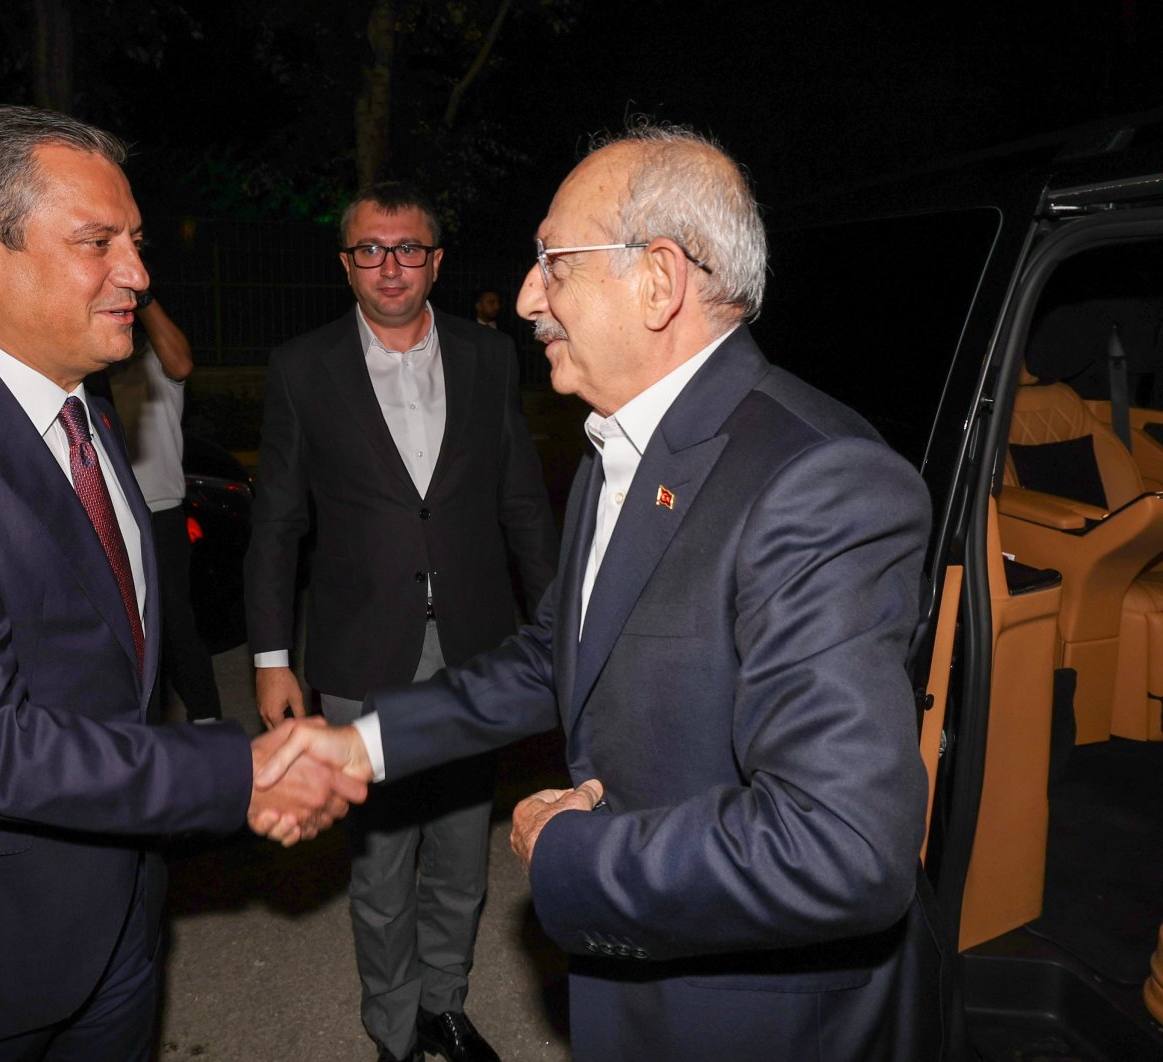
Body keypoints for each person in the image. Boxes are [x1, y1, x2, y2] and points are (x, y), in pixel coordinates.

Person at [260, 126, 945, 1061]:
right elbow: (560, 653)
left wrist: (569, 853)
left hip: (755, 1014)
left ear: (659, 281)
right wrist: (361, 745)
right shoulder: (619, 445)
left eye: (555, 262)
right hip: (645, 977)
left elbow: (843, 850)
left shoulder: (820, 484)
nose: (531, 296)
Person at [0, 104, 366, 1061]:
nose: (136, 272)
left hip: (116, 920)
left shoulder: (82, 408)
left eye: (133, 241)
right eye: (98, 243)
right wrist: (239, 768)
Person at [244, 182, 557, 1062]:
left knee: (460, 854)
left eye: (408, 248)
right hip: (360, 646)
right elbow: (276, 524)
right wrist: (272, 656)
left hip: (475, 642)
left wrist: (565, 623)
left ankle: (444, 1008)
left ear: (436, 262)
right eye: (370, 250)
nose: (390, 265)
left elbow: (523, 506)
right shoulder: (304, 368)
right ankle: (391, 1028)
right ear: (346, 264)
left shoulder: (489, 357)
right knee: (381, 863)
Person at [107, 291, 223, 723]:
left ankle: (207, 721)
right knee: (122, 628)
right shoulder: (90, 359)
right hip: (106, 509)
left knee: (174, 621)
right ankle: (138, 731)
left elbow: (183, 364)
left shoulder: (157, 356)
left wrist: (147, 297)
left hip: (159, 510)